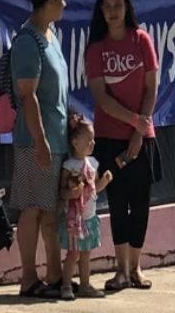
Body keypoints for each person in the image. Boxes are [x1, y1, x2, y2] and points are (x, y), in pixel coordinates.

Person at [84, 0, 161, 292]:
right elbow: (102, 98)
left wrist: (140, 132)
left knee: (140, 202)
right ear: (100, 11)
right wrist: (134, 122)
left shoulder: (142, 40)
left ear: (127, 7)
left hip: (142, 136)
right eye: (107, 6)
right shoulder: (96, 49)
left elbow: (151, 88)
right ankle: (121, 269)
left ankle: (136, 268)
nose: (113, 11)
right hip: (110, 136)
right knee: (117, 202)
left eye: (117, 5)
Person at [10, 0, 70, 299]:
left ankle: (56, 275)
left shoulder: (51, 35)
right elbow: (27, 96)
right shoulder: (27, 41)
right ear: (47, 2)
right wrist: (40, 140)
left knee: (51, 210)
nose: (64, 4)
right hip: (35, 142)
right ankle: (29, 278)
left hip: (57, 139)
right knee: (32, 207)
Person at [59, 114, 114, 301]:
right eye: (88, 139)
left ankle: (85, 285)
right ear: (75, 142)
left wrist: (104, 181)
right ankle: (66, 285)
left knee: (86, 253)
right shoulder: (69, 166)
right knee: (73, 253)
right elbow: (62, 192)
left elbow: (94, 188)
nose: (93, 143)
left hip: (89, 217)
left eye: (93, 139)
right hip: (75, 219)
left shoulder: (93, 163)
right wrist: (72, 193)